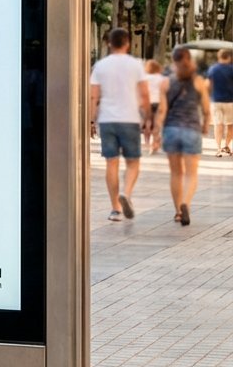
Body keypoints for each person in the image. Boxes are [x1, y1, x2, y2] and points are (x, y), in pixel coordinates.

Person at [90, 28, 150, 222]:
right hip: (130, 118)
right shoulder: (136, 65)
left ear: (109, 43)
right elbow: (145, 93)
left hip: (107, 119)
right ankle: (126, 192)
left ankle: (115, 208)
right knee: (133, 161)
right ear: (128, 43)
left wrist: (92, 120)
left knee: (111, 162)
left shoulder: (100, 66)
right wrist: (148, 118)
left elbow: (94, 96)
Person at [155, 45, 212, 226]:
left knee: (176, 173)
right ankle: (186, 202)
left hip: (171, 130)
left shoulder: (166, 82)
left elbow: (162, 110)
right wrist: (204, 126)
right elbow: (206, 110)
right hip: (191, 130)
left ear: (173, 60)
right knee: (191, 174)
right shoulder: (199, 82)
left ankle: (178, 211)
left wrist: (157, 132)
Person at [206, 47, 233, 157]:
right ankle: (227, 145)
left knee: (218, 124)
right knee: (231, 125)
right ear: (229, 57)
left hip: (216, 101)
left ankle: (218, 148)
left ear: (219, 57)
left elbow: (208, 85)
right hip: (231, 101)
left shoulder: (213, 69)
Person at [142, 59, 168, 153]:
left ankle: (147, 142)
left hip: (146, 102)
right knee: (157, 124)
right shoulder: (161, 78)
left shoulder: (144, 78)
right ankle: (155, 143)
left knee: (147, 123)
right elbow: (166, 91)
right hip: (158, 102)